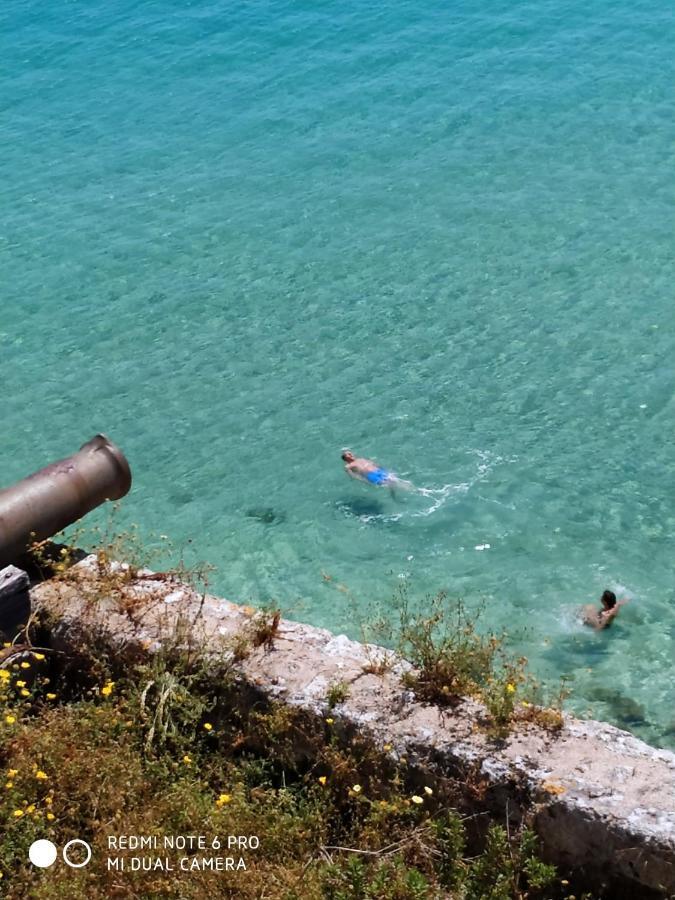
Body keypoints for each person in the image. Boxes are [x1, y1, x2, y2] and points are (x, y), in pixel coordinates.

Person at [341, 451, 411, 489]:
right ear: (345, 458)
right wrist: (364, 481)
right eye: (348, 454)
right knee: (388, 484)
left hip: (378, 471)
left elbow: (373, 463)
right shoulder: (348, 466)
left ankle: (409, 488)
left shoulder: (361, 459)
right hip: (371, 476)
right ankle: (403, 490)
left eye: (350, 453)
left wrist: (383, 469)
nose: (350, 454)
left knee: (393, 479)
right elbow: (353, 476)